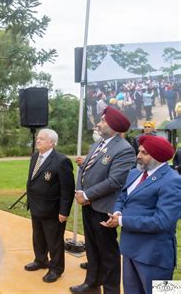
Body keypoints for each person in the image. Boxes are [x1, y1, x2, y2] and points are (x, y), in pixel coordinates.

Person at [102, 135, 181, 294]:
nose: (138, 156)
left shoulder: (173, 180)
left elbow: (162, 221)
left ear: (157, 157)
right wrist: (117, 211)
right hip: (130, 249)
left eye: (144, 153)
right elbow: (123, 196)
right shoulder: (134, 173)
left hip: (155, 255)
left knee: (163, 293)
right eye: (139, 151)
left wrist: (122, 220)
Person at [71, 106, 136, 294]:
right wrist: (80, 191)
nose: (99, 124)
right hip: (89, 205)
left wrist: (87, 195)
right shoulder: (97, 144)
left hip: (104, 208)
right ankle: (92, 284)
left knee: (107, 252)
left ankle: (111, 289)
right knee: (91, 247)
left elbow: (115, 181)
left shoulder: (124, 149)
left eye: (103, 121)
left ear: (113, 126)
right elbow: (84, 169)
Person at [24, 129, 75, 283]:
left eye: (42, 138)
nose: (37, 140)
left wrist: (64, 211)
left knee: (54, 241)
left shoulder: (61, 161)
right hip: (36, 206)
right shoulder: (35, 157)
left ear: (51, 142)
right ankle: (41, 260)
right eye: (38, 138)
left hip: (53, 210)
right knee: (38, 237)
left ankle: (56, 268)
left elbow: (67, 190)